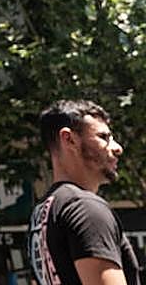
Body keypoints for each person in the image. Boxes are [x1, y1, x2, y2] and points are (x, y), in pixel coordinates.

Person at [28, 100, 141, 285]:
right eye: (104, 137)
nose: (117, 148)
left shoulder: (43, 212)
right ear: (69, 139)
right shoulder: (86, 209)